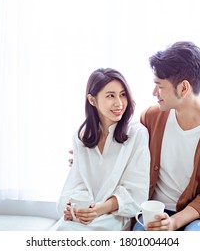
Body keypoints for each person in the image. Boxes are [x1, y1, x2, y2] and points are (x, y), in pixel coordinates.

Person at [133, 41, 200, 231]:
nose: (154, 93)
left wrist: (175, 222)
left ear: (184, 88)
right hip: (155, 209)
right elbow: (126, 150)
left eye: (159, 86)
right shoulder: (150, 118)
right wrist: (89, 153)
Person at [56, 68, 150, 231]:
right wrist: (72, 207)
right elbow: (76, 183)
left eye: (123, 94)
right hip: (86, 213)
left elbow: (136, 191)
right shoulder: (81, 136)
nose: (119, 103)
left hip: (114, 214)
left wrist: (98, 210)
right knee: (63, 229)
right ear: (92, 100)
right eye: (110, 96)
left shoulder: (137, 134)